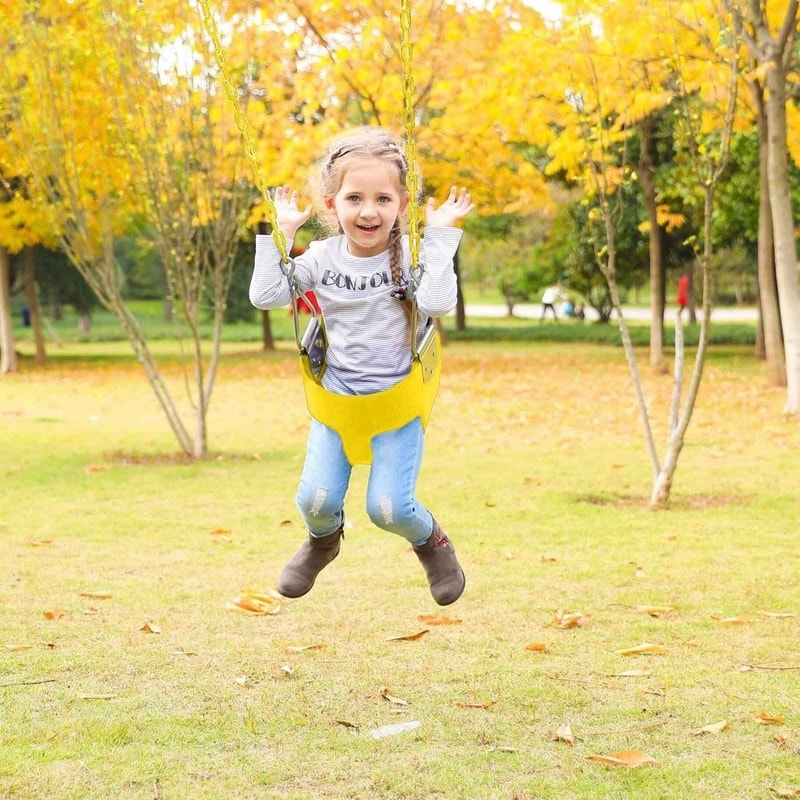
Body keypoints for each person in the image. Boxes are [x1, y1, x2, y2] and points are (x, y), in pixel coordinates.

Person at [249, 126, 473, 606]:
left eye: (382, 199)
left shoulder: (408, 258)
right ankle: (322, 541)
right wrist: (281, 233)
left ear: (402, 203)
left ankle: (432, 544)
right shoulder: (322, 258)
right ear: (332, 203)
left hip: (396, 405)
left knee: (389, 508)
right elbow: (266, 296)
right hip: (338, 401)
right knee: (315, 501)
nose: (369, 211)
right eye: (354, 198)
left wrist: (438, 239)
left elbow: (436, 302)